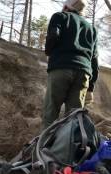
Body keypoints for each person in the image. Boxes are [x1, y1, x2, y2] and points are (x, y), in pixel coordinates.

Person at [42, 0, 99, 129]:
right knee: (74, 119)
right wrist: (91, 86)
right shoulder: (92, 29)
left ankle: (44, 147)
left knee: (50, 114)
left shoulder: (60, 16)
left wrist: (49, 51)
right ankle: (69, 148)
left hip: (60, 68)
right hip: (83, 73)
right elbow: (94, 60)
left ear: (66, 6)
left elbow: (53, 36)